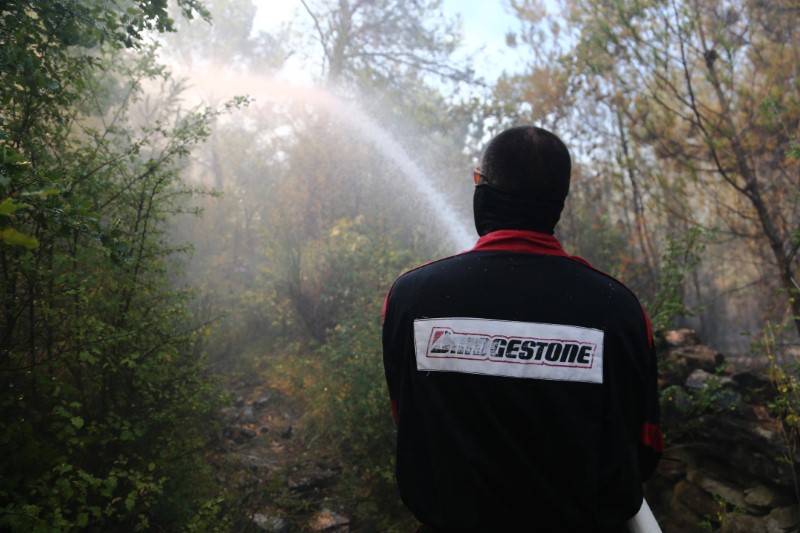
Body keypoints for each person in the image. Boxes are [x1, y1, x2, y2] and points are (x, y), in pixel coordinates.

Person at [381, 126, 662, 532]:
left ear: (484, 191)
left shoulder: (410, 298)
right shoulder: (619, 309)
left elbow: (406, 418)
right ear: (558, 202)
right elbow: (647, 449)